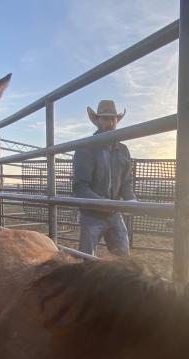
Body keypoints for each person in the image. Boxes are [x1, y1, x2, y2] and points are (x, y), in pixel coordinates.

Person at [73, 100, 136, 256]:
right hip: (92, 214)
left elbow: (126, 182)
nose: (110, 122)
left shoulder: (123, 150)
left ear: (117, 121)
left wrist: (131, 201)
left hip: (114, 214)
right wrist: (103, 203)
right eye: (105, 118)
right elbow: (81, 187)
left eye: (113, 118)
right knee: (87, 260)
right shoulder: (86, 147)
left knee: (123, 260)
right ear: (97, 121)